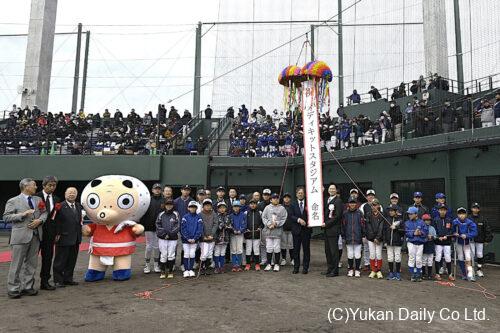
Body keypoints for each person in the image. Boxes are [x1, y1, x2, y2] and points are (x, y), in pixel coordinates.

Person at [3, 178, 48, 298]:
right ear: (26, 186)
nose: (36, 187)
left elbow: (45, 212)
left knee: (32, 264)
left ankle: (28, 287)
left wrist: (40, 220)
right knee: (16, 264)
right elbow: (6, 217)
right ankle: (13, 289)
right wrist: (22, 214)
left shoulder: (38, 199)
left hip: (36, 235)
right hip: (20, 237)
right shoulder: (13, 201)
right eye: (34, 185)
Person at [52, 187, 82, 287]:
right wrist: (56, 234)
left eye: (74, 193)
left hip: (76, 238)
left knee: (72, 260)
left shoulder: (78, 206)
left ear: (76, 195)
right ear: (65, 194)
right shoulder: (60, 206)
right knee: (60, 260)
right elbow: (54, 221)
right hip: (63, 237)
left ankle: (68, 279)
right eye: (69, 193)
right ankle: (58, 280)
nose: (71, 194)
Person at [35, 175, 60, 291]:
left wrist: (57, 233)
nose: (52, 187)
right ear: (44, 185)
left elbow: (57, 218)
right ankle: (27, 283)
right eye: (50, 185)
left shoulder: (56, 199)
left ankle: (44, 282)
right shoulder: (36, 197)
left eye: (54, 185)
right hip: (36, 232)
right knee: (31, 258)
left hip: (50, 234)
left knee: (48, 258)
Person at [140, 183, 163, 274]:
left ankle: (156, 265)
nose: (157, 190)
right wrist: (142, 225)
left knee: (157, 247)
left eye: (159, 189)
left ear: (161, 190)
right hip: (148, 227)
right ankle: (147, 264)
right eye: (155, 189)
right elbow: (142, 213)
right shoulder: (147, 200)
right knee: (149, 246)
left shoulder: (164, 200)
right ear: (152, 190)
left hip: (159, 228)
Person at [262, 193, 287, 272]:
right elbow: (264, 217)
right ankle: (269, 264)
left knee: (276, 248)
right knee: (269, 247)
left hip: (277, 232)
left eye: (277, 198)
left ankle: (276, 264)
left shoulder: (282, 208)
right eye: (274, 198)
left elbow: (284, 218)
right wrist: (269, 224)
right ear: (271, 199)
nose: (276, 199)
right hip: (269, 231)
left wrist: (277, 223)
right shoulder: (267, 208)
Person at [290, 187, 312, 274]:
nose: (300, 194)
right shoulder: (293, 204)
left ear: (304, 194)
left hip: (306, 231)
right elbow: (291, 216)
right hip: (296, 231)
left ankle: (305, 268)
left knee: (306, 250)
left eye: (302, 193)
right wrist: (298, 219)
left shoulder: (309, 204)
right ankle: (296, 267)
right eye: (299, 193)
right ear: (296, 194)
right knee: (296, 250)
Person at [156, 198, 180, 279]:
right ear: (165, 205)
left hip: (172, 238)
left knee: (171, 255)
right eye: (167, 204)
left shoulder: (176, 214)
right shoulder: (161, 214)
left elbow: (178, 226)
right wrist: (164, 234)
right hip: (162, 238)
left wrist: (169, 234)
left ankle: (170, 271)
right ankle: (163, 271)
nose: (169, 206)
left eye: (170, 204)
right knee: (163, 255)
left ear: (173, 205)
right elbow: (158, 225)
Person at [323, 184, 343, 277]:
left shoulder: (338, 201)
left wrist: (327, 224)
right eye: (330, 189)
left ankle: (335, 271)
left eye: (333, 189)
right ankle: (329, 269)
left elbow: (337, 216)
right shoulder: (326, 199)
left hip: (333, 229)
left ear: (336, 190)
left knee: (333, 251)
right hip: (326, 230)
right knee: (327, 251)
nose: (331, 190)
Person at [453, 207, 478, 281]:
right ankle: (464, 274)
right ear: (457, 214)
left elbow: (474, 232)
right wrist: (455, 234)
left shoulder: (470, 222)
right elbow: (452, 231)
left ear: (466, 214)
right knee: (460, 257)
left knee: (468, 258)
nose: (461, 215)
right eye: (460, 214)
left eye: (463, 213)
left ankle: (470, 274)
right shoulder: (455, 222)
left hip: (467, 242)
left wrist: (467, 235)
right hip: (458, 242)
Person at [342, 196, 364, 278]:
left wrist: (363, 235)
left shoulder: (359, 213)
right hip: (348, 237)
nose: (352, 204)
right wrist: (343, 235)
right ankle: (350, 270)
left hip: (358, 237)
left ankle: (357, 270)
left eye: (354, 203)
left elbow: (363, 225)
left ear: (356, 204)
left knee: (357, 254)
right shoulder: (345, 213)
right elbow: (343, 226)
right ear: (348, 204)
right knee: (350, 254)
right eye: (351, 203)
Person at [469, 202, 493, 278]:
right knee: (471, 255)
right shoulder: (468, 218)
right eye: (474, 208)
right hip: (471, 240)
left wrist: (487, 240)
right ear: (471, 209)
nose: (475, 209)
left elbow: (487, 230)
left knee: (479, 255)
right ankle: (471, 269)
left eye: (477, 208)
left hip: (480, 240)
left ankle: (479, 269)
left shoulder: (483, 219)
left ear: (479, 209)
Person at [180, 201, 203, 278]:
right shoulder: (185, 217)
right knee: (186, 253)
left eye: (194, 207)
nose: (192, 208)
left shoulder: (198, 217)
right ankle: (186, 270)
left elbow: (199, 229)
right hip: (186, 240)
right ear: (188, 208)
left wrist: (195, 238)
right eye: (191, 207)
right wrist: (188, 238)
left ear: (196, 208)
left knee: (192, 254)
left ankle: (191, 269)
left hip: (194, 240)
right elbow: (183, 229)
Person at [405, 206, 428, 282]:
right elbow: (406, 232)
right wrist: (413, 233)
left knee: (419, 259)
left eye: (411, 214)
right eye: (409, 214)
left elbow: (425, 232)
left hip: (420, 243)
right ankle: (412, 274)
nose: (409, 215)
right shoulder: (407, 222)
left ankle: (418, 274)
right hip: (411, 242)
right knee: (412, 258)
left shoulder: (421, 222)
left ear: (416, 214)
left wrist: (421, 232)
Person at [433, 203, 455, 281]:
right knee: (438, 257)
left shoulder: (449, 220)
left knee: (448, 257)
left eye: (444, 210)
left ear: (446, 211)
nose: (442, 211)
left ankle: (450, 274)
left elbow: (452, 230)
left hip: (447, 242)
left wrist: (447, 236)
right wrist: (438, 237)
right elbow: (434, 230)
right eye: (441, 210)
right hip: (438, 242)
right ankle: (437, 274)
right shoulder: (435, 219)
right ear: (438, 210)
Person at [364, 199, 385, 279]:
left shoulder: (382, 215)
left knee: (378, 254)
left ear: (378, 206)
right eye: (372, 205)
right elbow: (368, 227)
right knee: (372, 254)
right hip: (371, 238)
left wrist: (378, 238)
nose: (374, 206)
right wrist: (373, 238)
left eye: (375, 205)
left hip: (379, 239)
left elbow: (381, 227)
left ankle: (378, 270)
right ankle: (373, 270)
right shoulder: (368, 214)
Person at [383, 204, 404, 281]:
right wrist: (385, 241)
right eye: (390, 211)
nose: (390, 212)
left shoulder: (400, 220)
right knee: (390, 258)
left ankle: (398, 273)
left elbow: (403, 231)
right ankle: (391, 273)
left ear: (396, 211)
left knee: (397, 258)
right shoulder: (387, 219)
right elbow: (384, 231)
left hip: (397, 242)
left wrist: (396, 228)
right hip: (389, 242)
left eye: (392, 211)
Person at [199, 198, 217, 275]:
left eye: (209, 205)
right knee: (204, 254)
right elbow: (199, 226)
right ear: (203, 206)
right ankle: (201, 268)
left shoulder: (214, 213)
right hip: (203, 238)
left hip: (211, 238)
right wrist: (203, 236)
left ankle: (206, 268)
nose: (207, 206)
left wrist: (212, 235)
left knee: (209, 253)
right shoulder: (200, 214)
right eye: (206, 205)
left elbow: (215, 224)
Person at [244, 199, 264, 271]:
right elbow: (244, 222)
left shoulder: (260, 212)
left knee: (256, 250)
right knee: (248, 250)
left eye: (254, 203)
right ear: (249, 205)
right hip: (248, 235)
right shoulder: (246, 213)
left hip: (256, 235)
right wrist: (246, 228)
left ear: (256, 204)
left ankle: (257, 264)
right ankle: (248, 264)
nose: (253, 205)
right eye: (251, 203)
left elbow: (262, 222)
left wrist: (260, 227)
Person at [214, 202, 231, 273]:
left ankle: (222, 267)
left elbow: (229, 225)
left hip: (226, 237)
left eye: (223, 207)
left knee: (223, 252)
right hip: (218, 237)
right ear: (217, 209)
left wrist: (227, 226)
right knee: (217, 252)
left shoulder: (227, 216)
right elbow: (216, 226)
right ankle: (217, 267)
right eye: (220, 208)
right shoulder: (215, 216)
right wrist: (223, 226)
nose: (222, 209)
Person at [229, 200, 246, 272]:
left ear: (240, 207)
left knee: (239, 249)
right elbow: (229, 225)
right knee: (233, 249)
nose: (236, 208)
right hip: (233, 234)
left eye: (237, 206)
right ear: (232, 207)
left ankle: (238, 265)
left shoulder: (243, 215)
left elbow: (245, 224)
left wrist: (240, 230)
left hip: (240, 234)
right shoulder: (230, 215)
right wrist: (233, 230)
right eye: (235, 206)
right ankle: (234, 265)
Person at [280, 193, 294, 267]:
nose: (286, 199)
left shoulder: (293, 206)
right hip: (283, 229)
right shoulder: (281, 207)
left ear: (290, 199)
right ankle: (283, 259)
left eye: (288, 197)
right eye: (285, 197)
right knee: (283, 245)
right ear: (283, 199)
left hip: (291, 229)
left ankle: (292, 259)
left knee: (291, 245)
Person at [421, 214, 436, 280]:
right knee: (424, 259)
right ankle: (423, 274)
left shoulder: (432, 228)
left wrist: (432, 237)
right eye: (426, 220)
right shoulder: (421, 227)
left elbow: (435, 236)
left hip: (431, 244)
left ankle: (429, 274)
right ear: (423, 221)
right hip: (424, 244)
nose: (428, 221)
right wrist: (426, 236)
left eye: (429, 220)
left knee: (430, 260)